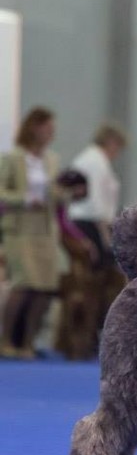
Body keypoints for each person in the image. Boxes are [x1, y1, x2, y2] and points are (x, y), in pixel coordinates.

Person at [0, 108, 67, 359]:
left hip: (46, 230)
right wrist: (25, 199)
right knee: (23, 284)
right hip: (20, 229)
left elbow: (56, 194)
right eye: (48, 128)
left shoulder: (53, 159)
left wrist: (66, 193)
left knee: (45, 286)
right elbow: (1, 193)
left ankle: (28, 342)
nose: (52, 133)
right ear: (33, 127)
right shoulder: (12, 158)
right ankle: (6, 340)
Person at [67, 123, 127, 270]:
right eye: (118, 147)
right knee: (102, 270)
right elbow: (96, 199)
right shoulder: (97, 162)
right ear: (111, 142)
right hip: (90, 224)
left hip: (86, 221)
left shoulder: (90, 158)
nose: (118, 153)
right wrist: (105, 234)